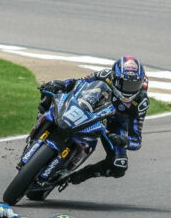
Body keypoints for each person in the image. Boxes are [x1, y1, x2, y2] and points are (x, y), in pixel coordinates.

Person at [37, 56, 149, 186]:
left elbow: (136, 141)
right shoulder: (105, 75)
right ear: (116, 78)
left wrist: (122, 141)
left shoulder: (141, 101)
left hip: (115, 124)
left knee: (119, 165)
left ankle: (80, 174)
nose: (130, 89)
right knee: (49, 93)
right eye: (126, 83)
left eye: (134, 84)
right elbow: (78, 82)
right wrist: (61, 84)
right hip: (92, 107)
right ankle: (39, 123)